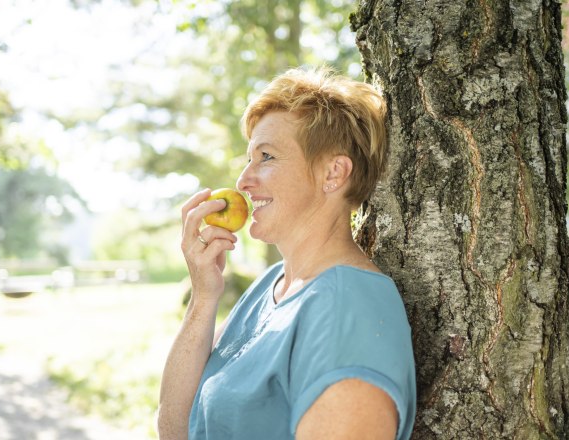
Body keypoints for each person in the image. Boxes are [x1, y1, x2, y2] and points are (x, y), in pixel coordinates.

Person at [158, 67, 416, 440]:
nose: (243, 180)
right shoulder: (271, 286)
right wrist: (203, 295)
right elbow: (175, 428)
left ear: (334, 173)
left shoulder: (350, 310)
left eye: (266, 157)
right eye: (249, 158)